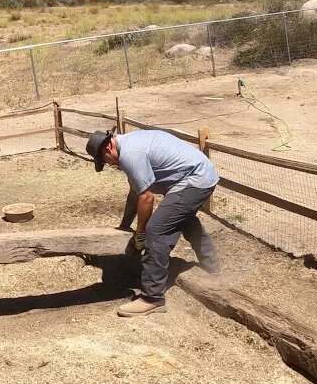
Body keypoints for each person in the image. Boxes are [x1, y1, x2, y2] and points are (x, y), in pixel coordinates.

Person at [85, 128, 221, 316]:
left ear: (107, 149)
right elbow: (136, 191)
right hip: (196, 174)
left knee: (156, 230)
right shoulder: (130, 145)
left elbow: (147, 198)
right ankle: (212, 266)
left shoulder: (130, 154)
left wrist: (141, 234)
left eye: (103, 161)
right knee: (181, 218)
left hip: (195, 179)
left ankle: (153, 298)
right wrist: (125, 226)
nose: (108, 164)